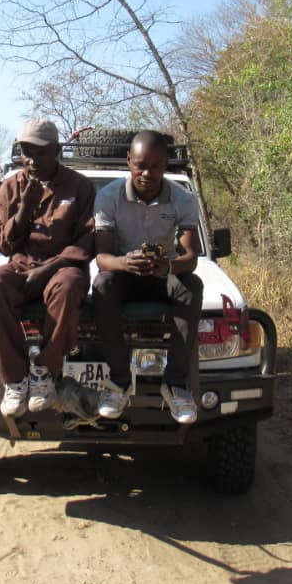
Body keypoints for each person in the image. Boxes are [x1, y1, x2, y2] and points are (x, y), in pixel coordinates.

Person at [0, 119, 95, 417]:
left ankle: (44, 372)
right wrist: (23, 210)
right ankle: (15, 378)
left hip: (62, 267)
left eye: (40, 152)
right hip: (21, 265)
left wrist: (46, 270)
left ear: (56, 151)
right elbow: (0, 243)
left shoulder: (79, 186)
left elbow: (86, 242)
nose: (31, 160)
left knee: (70, 285)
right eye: (26, 152)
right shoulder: (11, 186)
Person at [92, 130, 204, 424]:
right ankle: (119, 382)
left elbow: (191, 257)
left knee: (191, 287)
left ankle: (176, 384)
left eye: (155, 166)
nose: (146, 173)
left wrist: (166, 266)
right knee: (102, 284)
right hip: (125, 273)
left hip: (161, 275)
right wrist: (126, 262)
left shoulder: (183, 198)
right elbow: (102, 258)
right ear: (129, 161)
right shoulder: (107, 197)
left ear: (165, 164)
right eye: (140, 164)